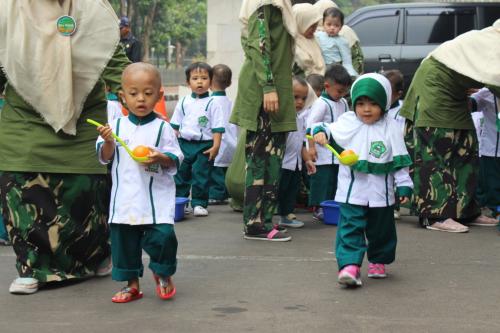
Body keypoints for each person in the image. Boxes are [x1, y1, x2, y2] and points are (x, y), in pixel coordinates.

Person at [0, 0, 130, 294]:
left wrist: (136, 93)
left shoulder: (93, 7)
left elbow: (112, 59)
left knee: (87, 193)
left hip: (85, 115)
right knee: (23, 190)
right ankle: (32, 267)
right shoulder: (7, 9)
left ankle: (94, 257)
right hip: (25, 117)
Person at [313, 73, 413, 287]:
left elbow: (400, 159)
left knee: (382, 230)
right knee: (350, 226)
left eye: (373, 103)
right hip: (351, 191)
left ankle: (378, 260)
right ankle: (349, 266)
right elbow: (324, 128)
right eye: (361, 103)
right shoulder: (347, 121)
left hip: (381, 192)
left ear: (384, 104)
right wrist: (320, 132)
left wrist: (404, 185)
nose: (366, 109)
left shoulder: (391, 127)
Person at [400, 20, 500, 233]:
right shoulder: (493, 42)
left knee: (467, 147)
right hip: (434, 86)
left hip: (455, 91)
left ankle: (466, 211)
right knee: (437, 149)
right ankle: (434, 215)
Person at [96, 63, 182, 303]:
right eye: (133, 94)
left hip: (155, 198)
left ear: (159, 95)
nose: (141, 99)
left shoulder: (163, 127)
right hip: (124, 199)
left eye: (148, 93)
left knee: (163, 237)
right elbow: (105, 156)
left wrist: (161, 157)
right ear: (123, 97)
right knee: (124, 243)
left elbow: (176, 157)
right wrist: (109, 142)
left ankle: (162, 272)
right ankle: (131, 284)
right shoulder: (114, 127)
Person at [231, 0, 297, 241]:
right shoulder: (265, 3)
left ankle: (265, 219)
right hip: (264, 93)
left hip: (275, 90)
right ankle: (255, 223)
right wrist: (268, 86)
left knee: (272, 160)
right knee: (260, 160)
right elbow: (259, 46)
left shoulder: (279, 4)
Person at [170, 62, 225, 217]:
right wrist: (171, 145)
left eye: (204, 78)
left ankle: (199, 203)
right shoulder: (183, 101)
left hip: (205, 145)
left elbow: (217, 127)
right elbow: (174, 126)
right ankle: (182, 201)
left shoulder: (213, 103)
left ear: (211, 81)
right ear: (188, 82)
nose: (199, 81)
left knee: (201, 175)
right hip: (184, 144)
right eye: (195, 78)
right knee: (181, 174)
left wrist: (216, 146)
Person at [306, 65, 351, 220]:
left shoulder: (344, 102)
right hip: (322, 151)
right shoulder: (321, 104)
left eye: (345, 91)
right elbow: (310, 126)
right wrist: (311, 148)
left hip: (338, 152)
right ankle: (318, 207)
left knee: (335, 180)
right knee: (322, 181)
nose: (342, 94)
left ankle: (332, 206)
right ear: (327, 86)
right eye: (339, 91)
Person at [278, 76, 317, 228]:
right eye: (295, 97)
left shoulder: (300, 119)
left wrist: (307, 160)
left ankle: (286, 215)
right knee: (278, 191)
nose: (300, 102)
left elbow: (301, 143)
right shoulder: (282, 118)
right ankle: (269, 217)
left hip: (295, 164)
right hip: (282, 163)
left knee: (290, 191)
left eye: (303, 98)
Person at [209, 64, 238, 205]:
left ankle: (217, 195)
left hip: (218, 142)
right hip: (232, 142)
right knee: (226, 170)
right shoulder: (231, 102)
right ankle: (227, 193)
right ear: (230, 83)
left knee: (216, 171)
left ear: (209, 82)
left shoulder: (209, 102)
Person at [470, 88, 500, 219]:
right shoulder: (487, 92)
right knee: (492, 187)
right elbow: (471, 104)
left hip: (492, 149)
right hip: (492, 149)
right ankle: (495, 210)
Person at [314, 0, 364, 75]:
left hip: (338, 72)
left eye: (336, 25)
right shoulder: (314, 32)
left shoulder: (344, 33)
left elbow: (352, 59)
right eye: (329, 24)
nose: (332, 28)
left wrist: (349, 75)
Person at [383, 69, 406, 220]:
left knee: (397, 179)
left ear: (398, 94)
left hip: (397, 149)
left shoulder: (402, 110)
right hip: (382, 150)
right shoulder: (379, 108)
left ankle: (395, 206)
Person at [292, 3, 325, 77]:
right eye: (311, 26)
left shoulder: (313, 39)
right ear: (300, 22)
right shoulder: (292, 44)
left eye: (316, 25)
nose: (314, 29)